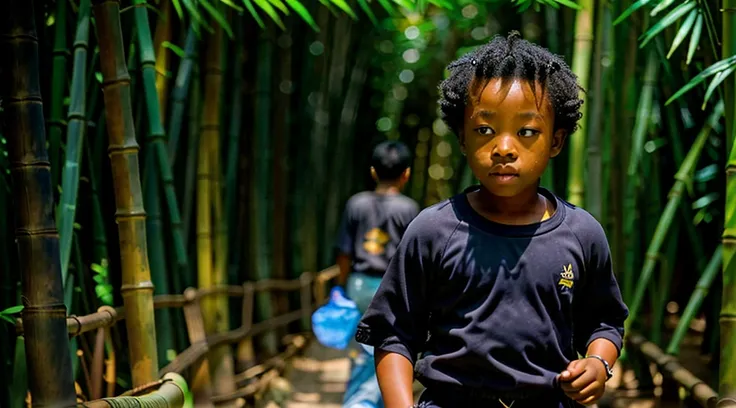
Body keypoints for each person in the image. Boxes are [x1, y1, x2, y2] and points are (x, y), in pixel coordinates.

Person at [354, 31, 629, 408]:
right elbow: (394, 333)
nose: (503, 148)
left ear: (556, 141)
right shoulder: (433, 230)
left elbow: (604, 322)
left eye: (527, 131)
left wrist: (599, 362)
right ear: (463, 137)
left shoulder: (582, 234)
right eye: (484, 130)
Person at [335, 140, 421, 408]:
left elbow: (344, 252)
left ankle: (361, 401)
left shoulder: (356, 204)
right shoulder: (409, 209)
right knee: (390, 348)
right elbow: (413, 258)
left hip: (359, 284)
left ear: (373, 172)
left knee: (361, 350)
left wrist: (340, 289)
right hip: (392, 288)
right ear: (406, 173)